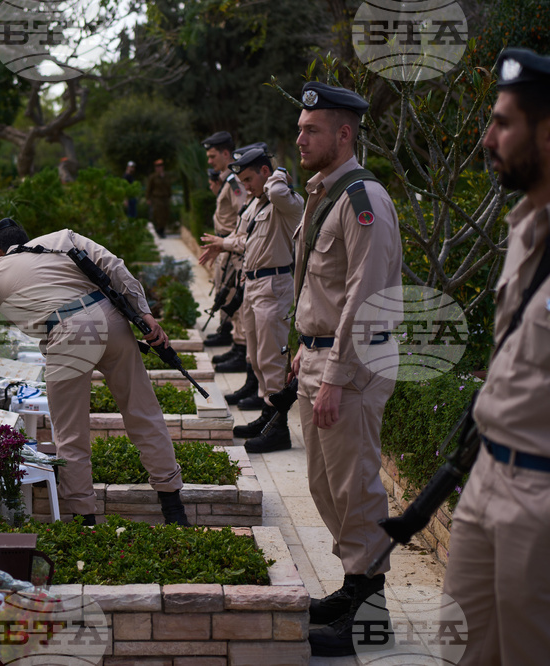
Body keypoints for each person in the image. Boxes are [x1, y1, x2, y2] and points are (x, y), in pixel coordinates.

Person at [0, 219, 192, 526]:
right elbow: (115, 267)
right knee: (143, 412)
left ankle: (85, 520)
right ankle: (174, 508)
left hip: (68, 333)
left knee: (71, 433)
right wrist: (146, 314)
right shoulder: (63, 237)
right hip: (111, 319)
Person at [441, 47, 550, 666]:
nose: (487, 140)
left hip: (539, 498)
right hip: (485, 479)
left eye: (504, 123)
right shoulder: (525, 224)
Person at [288, 82, 402, 657]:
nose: (300, 138)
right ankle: (355, 585)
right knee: (324, 484)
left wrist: (333, 372)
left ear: (344, 134)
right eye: (299, 128)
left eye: (311, 129)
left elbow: (365, 296)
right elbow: (322, 285)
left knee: (355, 487)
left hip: (350, 365)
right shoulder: (325, 193)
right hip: (321, 354)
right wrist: (304, 346)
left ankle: (370, 614)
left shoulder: (363, 200)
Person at [202, 149, 303, 451]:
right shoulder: (259, 203)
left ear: (265, 172)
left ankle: (278, 429)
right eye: (242, 181)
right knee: (257, 356)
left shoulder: (285, 201)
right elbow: (250, 240)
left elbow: (279, 190)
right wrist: (224, 244)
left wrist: (278, 171)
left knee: (271, 359)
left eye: (249, 179)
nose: (245, 186)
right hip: (255, 284)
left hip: (274, 285)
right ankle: (266, 416)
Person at [200, 132, 249, 358]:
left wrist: (227, 242)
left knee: (234, 299)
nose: (210, 161)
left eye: (213, 156)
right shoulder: (228, 180)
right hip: (225, 245)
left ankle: (239, 347)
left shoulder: (234, 182)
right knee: (225, 294)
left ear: (226, 154)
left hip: (232, 247)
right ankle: (231, 339)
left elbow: (244, 216)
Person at [144, 158, 173, 238]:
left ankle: (162, 229)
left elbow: (169, 187)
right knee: (158, 214)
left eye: (160, 167)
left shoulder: (166, 176)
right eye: (157, 167)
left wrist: (170, 196)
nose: (158, 168)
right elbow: (149, 188)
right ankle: (159, 230)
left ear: (162, 167)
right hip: (157, 198)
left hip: (165, 198)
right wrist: (148, 198)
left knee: (165, 214)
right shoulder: (153, 177)